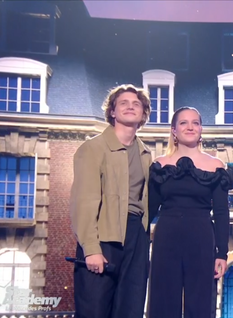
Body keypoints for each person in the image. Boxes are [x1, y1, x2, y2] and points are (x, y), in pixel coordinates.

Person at [70, 84, 152, 318]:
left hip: (137, 237)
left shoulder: (146, 155)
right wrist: (91, 249)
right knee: (94, 310)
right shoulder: (93, 148)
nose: (130, 106)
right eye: (123, 103)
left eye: (136, 104)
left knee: (131, 309)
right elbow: (83, 202)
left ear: (143, 114)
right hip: (104, 237)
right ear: (113, 112)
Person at [148, 106, 233, 318]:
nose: (190, 127)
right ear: (174, 130)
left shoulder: (216, 166)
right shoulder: (160, 165)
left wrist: (221, 253)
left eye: (195, 122)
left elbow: (222, 213)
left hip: (202, 238)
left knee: (201, 301)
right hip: (166, 237)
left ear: (201, 129)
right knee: (164, 300)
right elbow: (149, 210)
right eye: (184, 122)